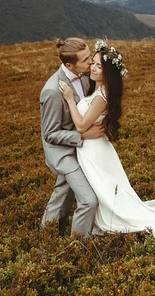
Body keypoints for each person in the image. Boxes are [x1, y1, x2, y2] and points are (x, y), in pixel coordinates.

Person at [58, 39, 155, 238]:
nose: (92, 67)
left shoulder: (101, 97)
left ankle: (104, 223)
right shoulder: (98, 91)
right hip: (94, 147)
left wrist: (68, 100)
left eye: (99, 66)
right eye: (93, 63)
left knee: (104, 189)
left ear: (107, 72)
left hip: (94, 150)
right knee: (104, 188)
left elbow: (81, 125)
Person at [40, 37, 105, 240]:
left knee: (63, 191)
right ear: (69, 65)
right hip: (62, 152)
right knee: (88, 200)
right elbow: (49, 134)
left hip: (81, 147)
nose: (91, 63)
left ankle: (47, 233)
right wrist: (82, 135)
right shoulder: (52, 91)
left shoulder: (85, 77)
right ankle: (78, 245)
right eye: (86, 60)